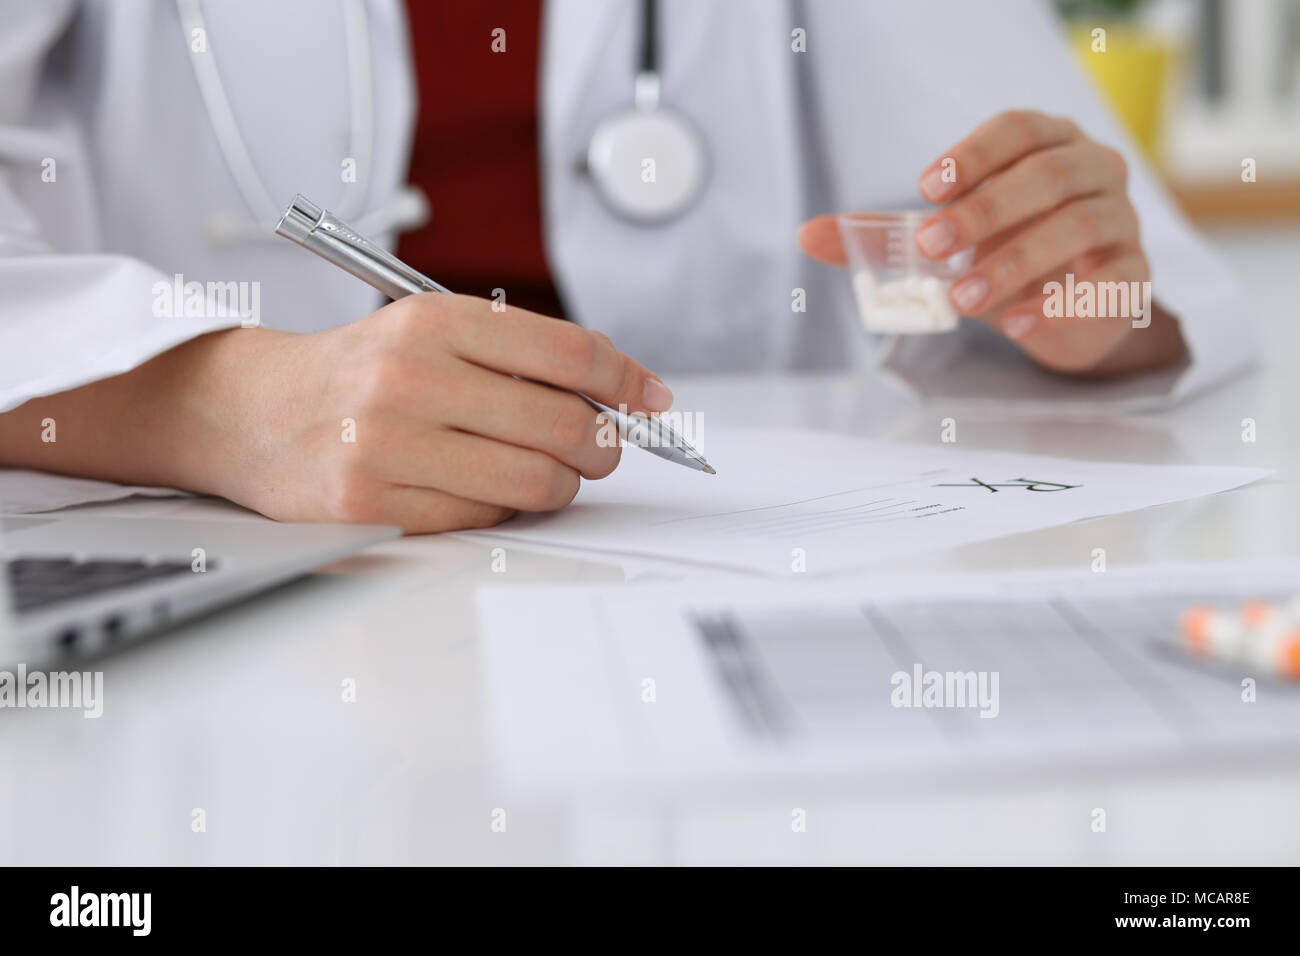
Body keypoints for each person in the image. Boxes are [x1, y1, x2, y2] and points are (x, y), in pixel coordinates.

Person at [0, 1, 1253, 532]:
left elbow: (1053, 259)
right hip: (234, 561)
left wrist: (1066, 287)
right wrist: (224, 403)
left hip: (714, 557)